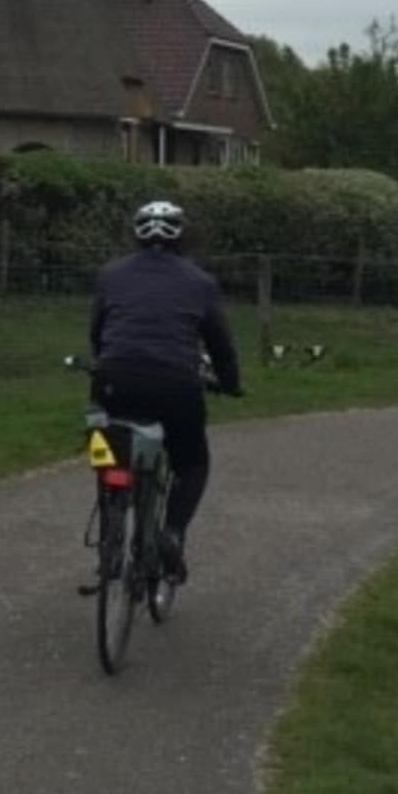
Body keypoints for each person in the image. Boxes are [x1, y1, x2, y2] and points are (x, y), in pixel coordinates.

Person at [88, 199, 243, 580]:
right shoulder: (201, 283)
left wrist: (106, 361)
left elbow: (97, 331)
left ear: (135, 234)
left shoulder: (111, 275)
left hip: (115, 379)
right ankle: (172, 532)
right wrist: (230, 383)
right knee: (192, 463)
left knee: (108, 447)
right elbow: (220, 346)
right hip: (177, 384)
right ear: (182, 237)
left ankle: (110, 529)